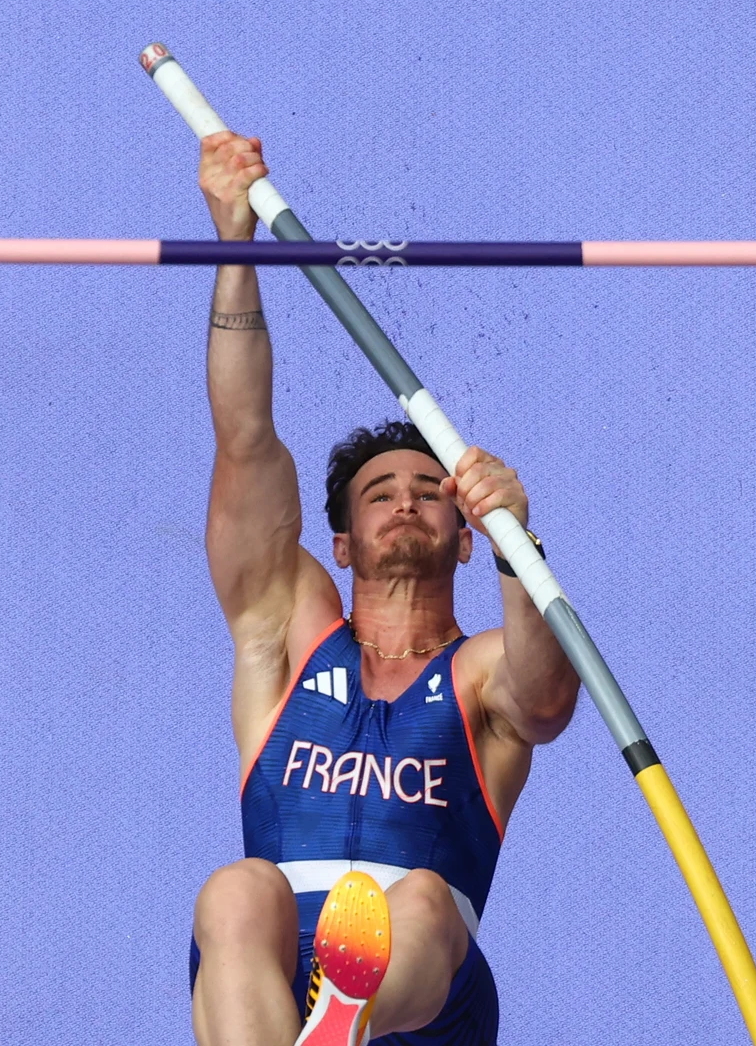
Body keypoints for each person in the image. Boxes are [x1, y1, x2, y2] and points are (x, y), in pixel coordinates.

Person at [186, 130, 581, 1046]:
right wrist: (235, 248)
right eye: (379, 492)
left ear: (467, 537)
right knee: (237, 890)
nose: (406, 498)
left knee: (423, 899)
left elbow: (546, 701)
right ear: (340, 543)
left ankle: (349, 1016)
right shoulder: (285, 629)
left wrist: (520, 542)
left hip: (424, 998)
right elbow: (244, 438)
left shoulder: (481, 673)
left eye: (430, 491)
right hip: (277, 976)